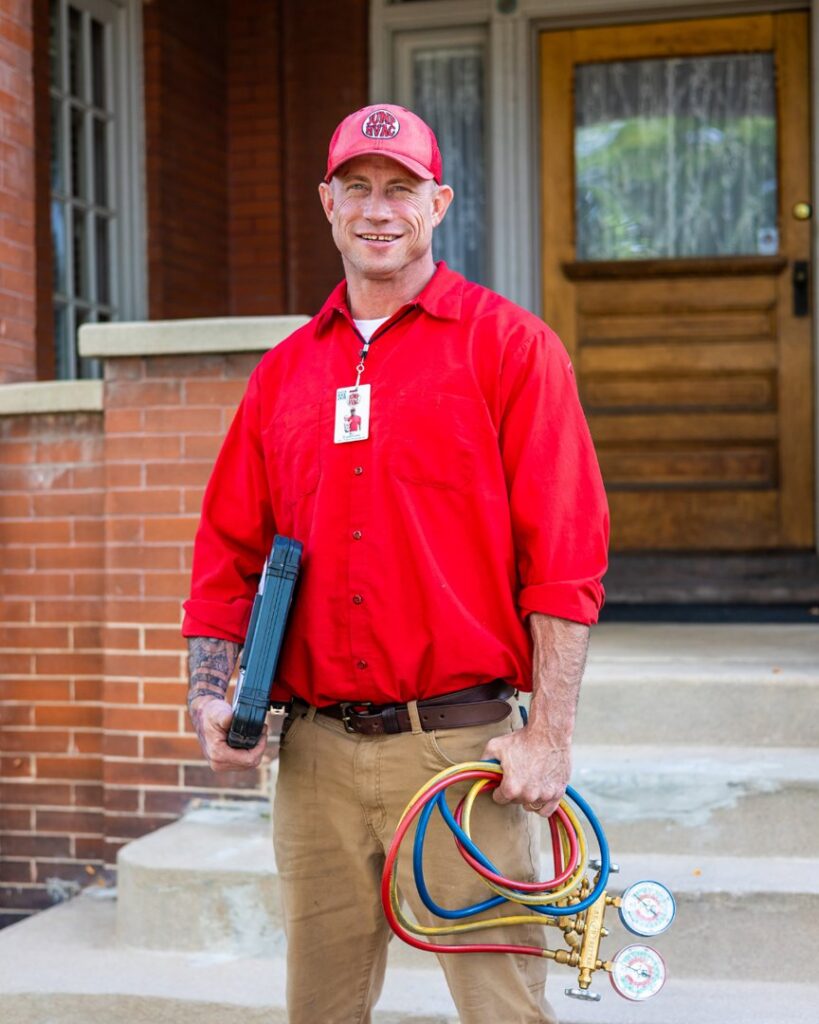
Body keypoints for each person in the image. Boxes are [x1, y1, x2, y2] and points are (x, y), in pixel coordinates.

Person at [182, 103, 609, 1024]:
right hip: (315, 761)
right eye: (360, 189)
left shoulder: (510, 347)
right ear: (328, 202)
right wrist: (211, 693)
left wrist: (551, 735)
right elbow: (226, 551)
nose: (380, 211)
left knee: (502, 1008)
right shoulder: (285, 374)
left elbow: (564, 554)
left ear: (438, 203)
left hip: (460, 751)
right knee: (320, 1010)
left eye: (401, 190)